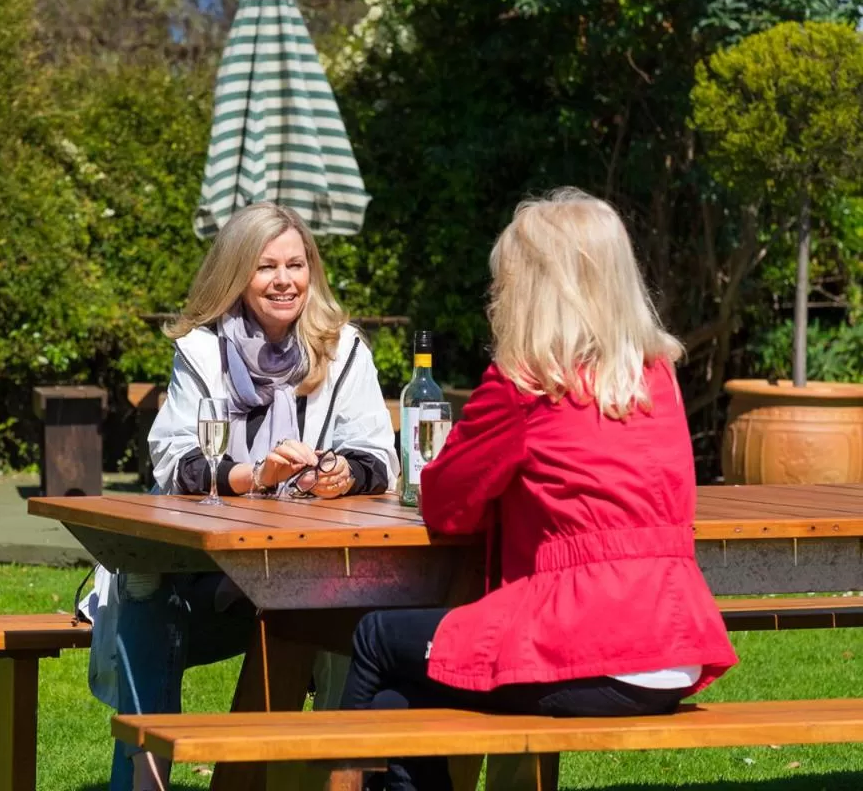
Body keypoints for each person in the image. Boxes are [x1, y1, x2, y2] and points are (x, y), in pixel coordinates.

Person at [338, 188, 739, 791]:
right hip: (673, 647)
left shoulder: (524, 382)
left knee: (376, 638)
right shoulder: (654, 376)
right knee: (403, 688)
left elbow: (446, 503)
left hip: (589, 642)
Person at [97, 201, 398, 791]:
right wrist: (251, 476)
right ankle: (144, 775)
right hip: (209, 571)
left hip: (303, 566)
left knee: (356, 604)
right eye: (266, 267)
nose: (285, 281)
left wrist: (342, 474)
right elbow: (173, 458)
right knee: (145, 586)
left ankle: (336, 773)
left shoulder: (344, 349)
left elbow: (377, 455)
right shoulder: (202, 350)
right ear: (237, 275)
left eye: (296, 264)